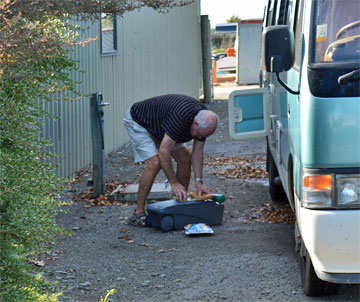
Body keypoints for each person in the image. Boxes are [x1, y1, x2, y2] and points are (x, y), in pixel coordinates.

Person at [123, 94, 219, 226]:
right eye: (198, 134)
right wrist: (174, 183)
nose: (198, 138)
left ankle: (181, 203)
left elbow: (197, 152)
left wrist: (199, 181)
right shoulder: (180, 117)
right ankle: (138, 213)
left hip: (161, 127)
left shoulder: (203, 120)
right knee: (155, 163)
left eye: (202, 136)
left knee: (185, 157)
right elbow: (164, 151)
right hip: (140, 121)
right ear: (195, 123)